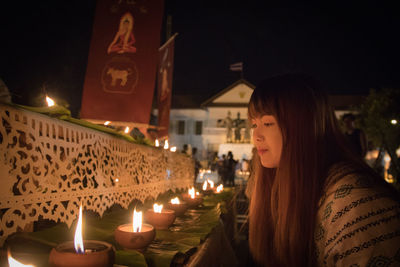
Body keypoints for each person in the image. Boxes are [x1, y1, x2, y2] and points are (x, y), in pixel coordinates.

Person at [247, 73, 400, 266]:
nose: (256, 136)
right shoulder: (283, 184)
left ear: (303, 126)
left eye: (267, 123)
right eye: (254, 124)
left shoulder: (356, 204)